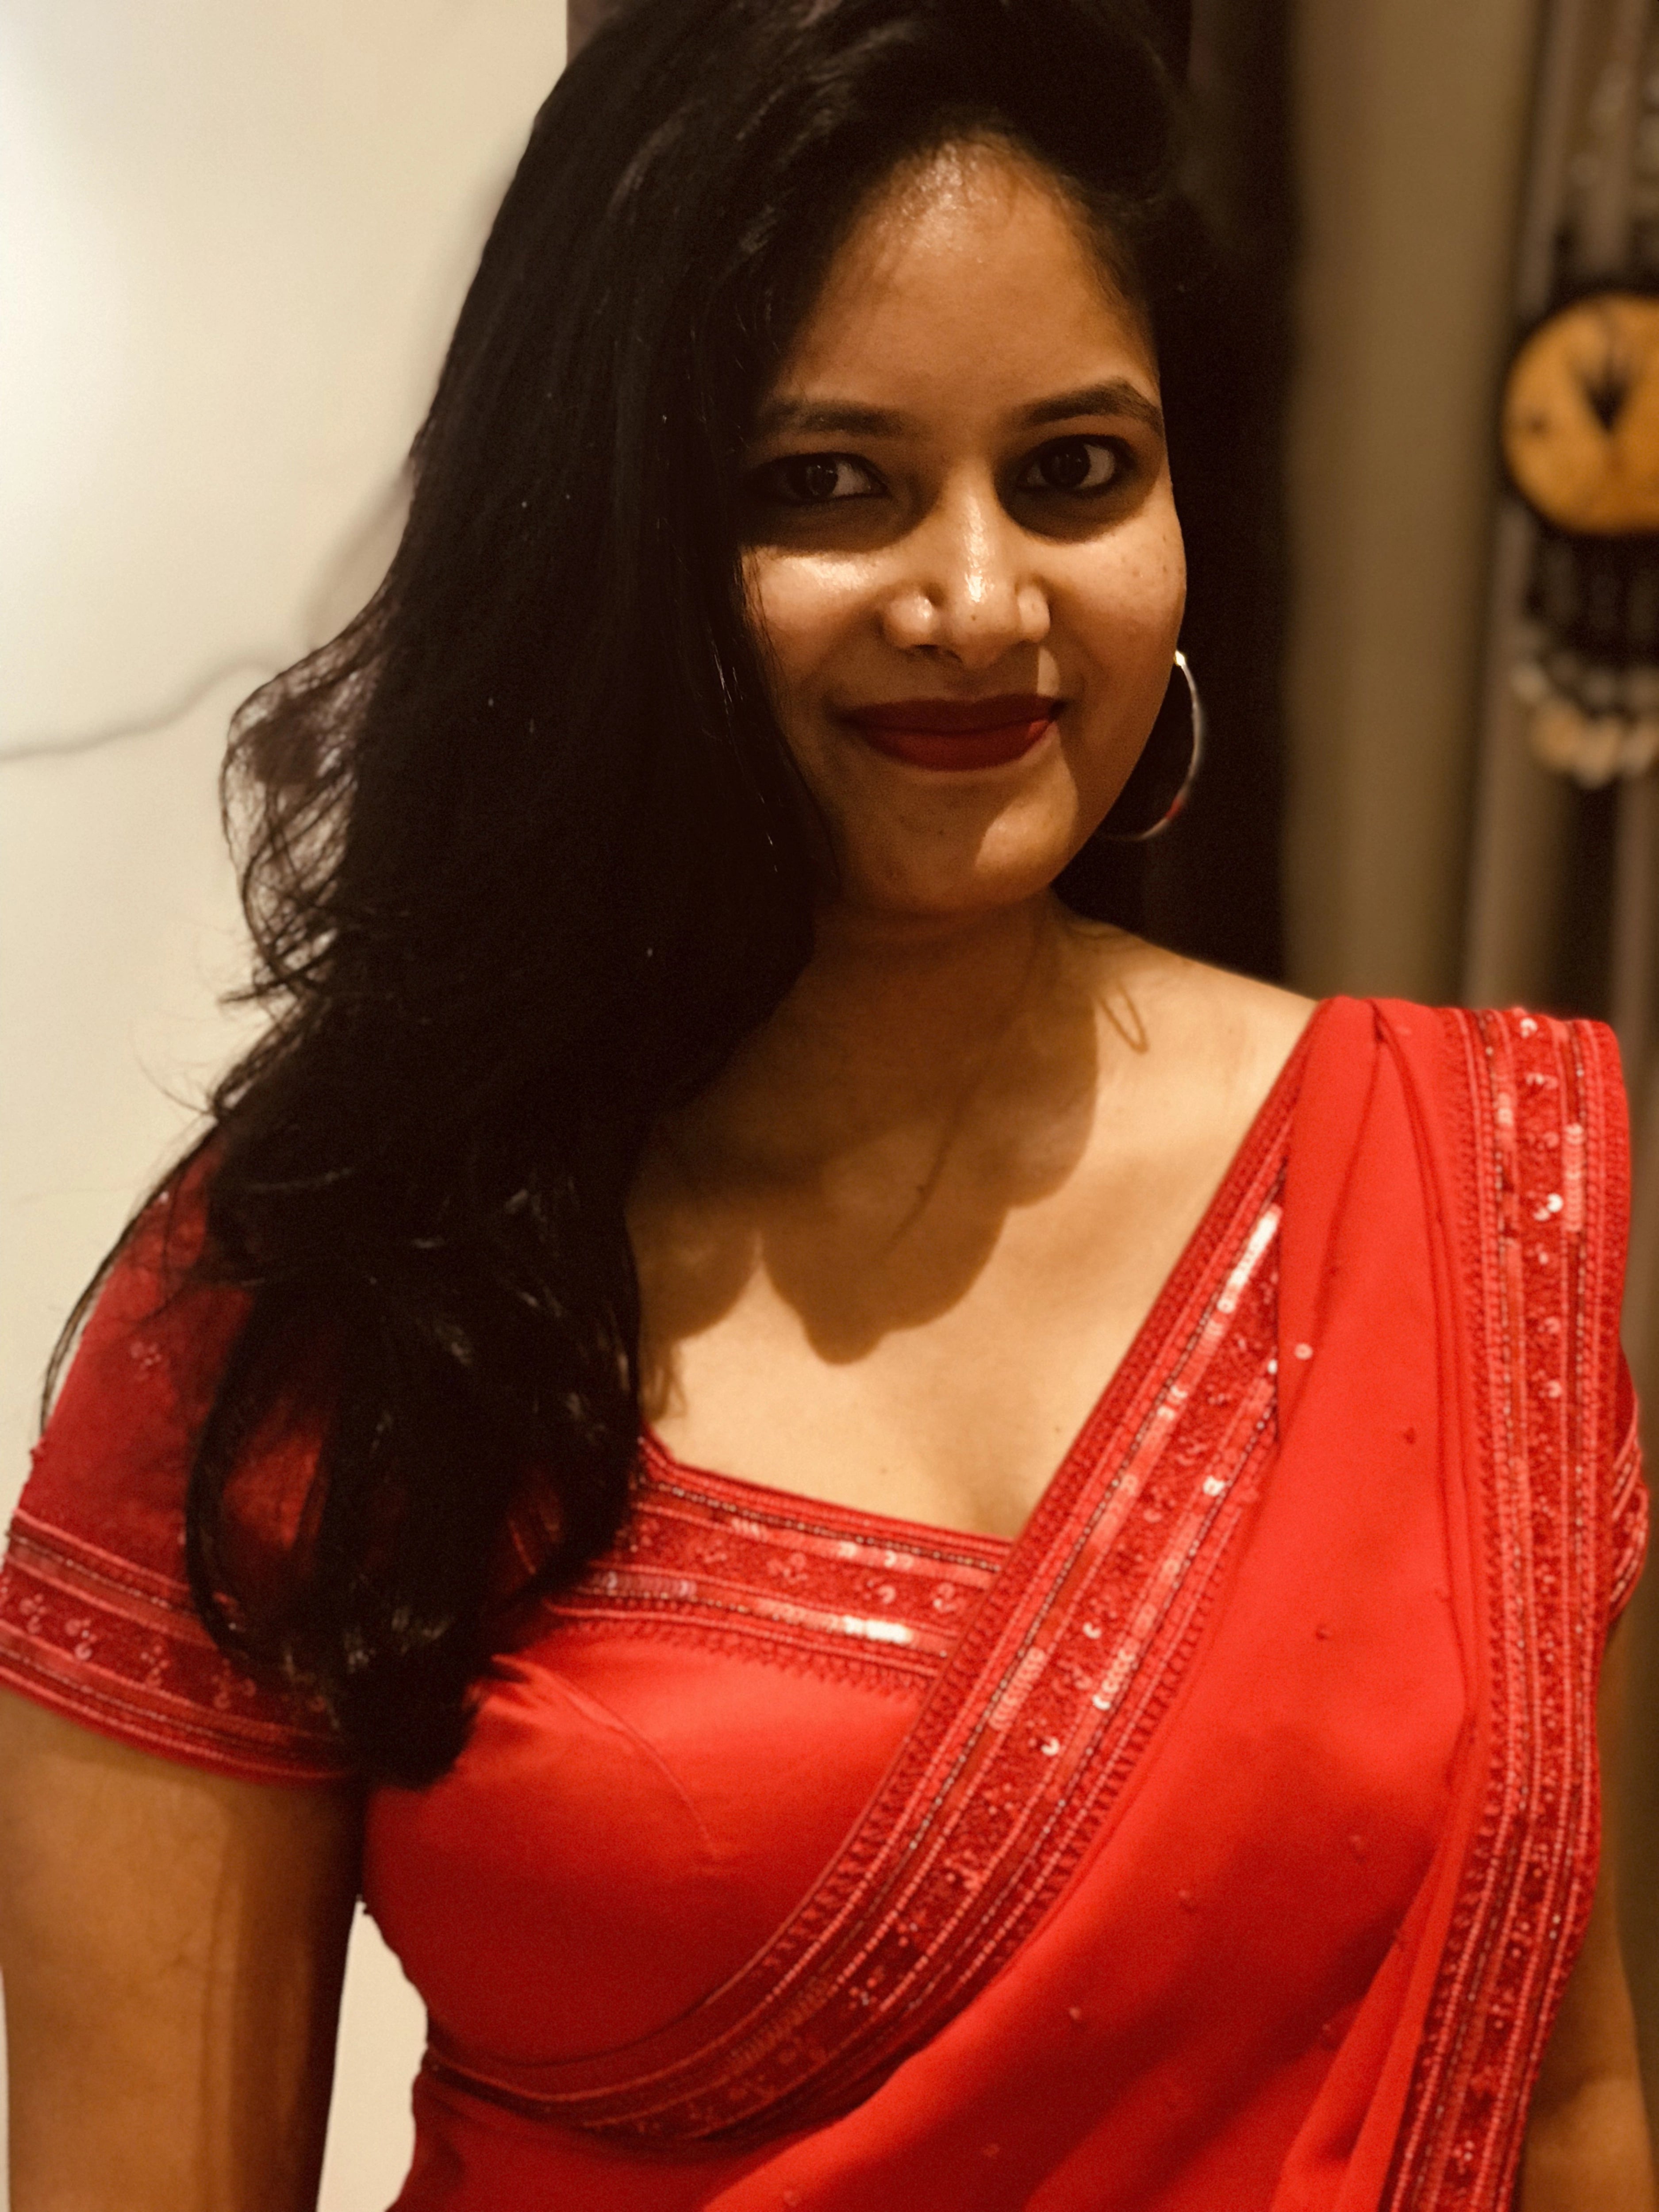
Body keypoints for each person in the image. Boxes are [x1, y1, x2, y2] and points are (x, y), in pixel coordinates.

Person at [0, 0, 1650, 2205]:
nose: (977, 601)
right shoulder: (331, 1283)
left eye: (1073, 472)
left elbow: (1553, 2104)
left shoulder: (1437, 1187)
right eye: (826, 485)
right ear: (610, 537)